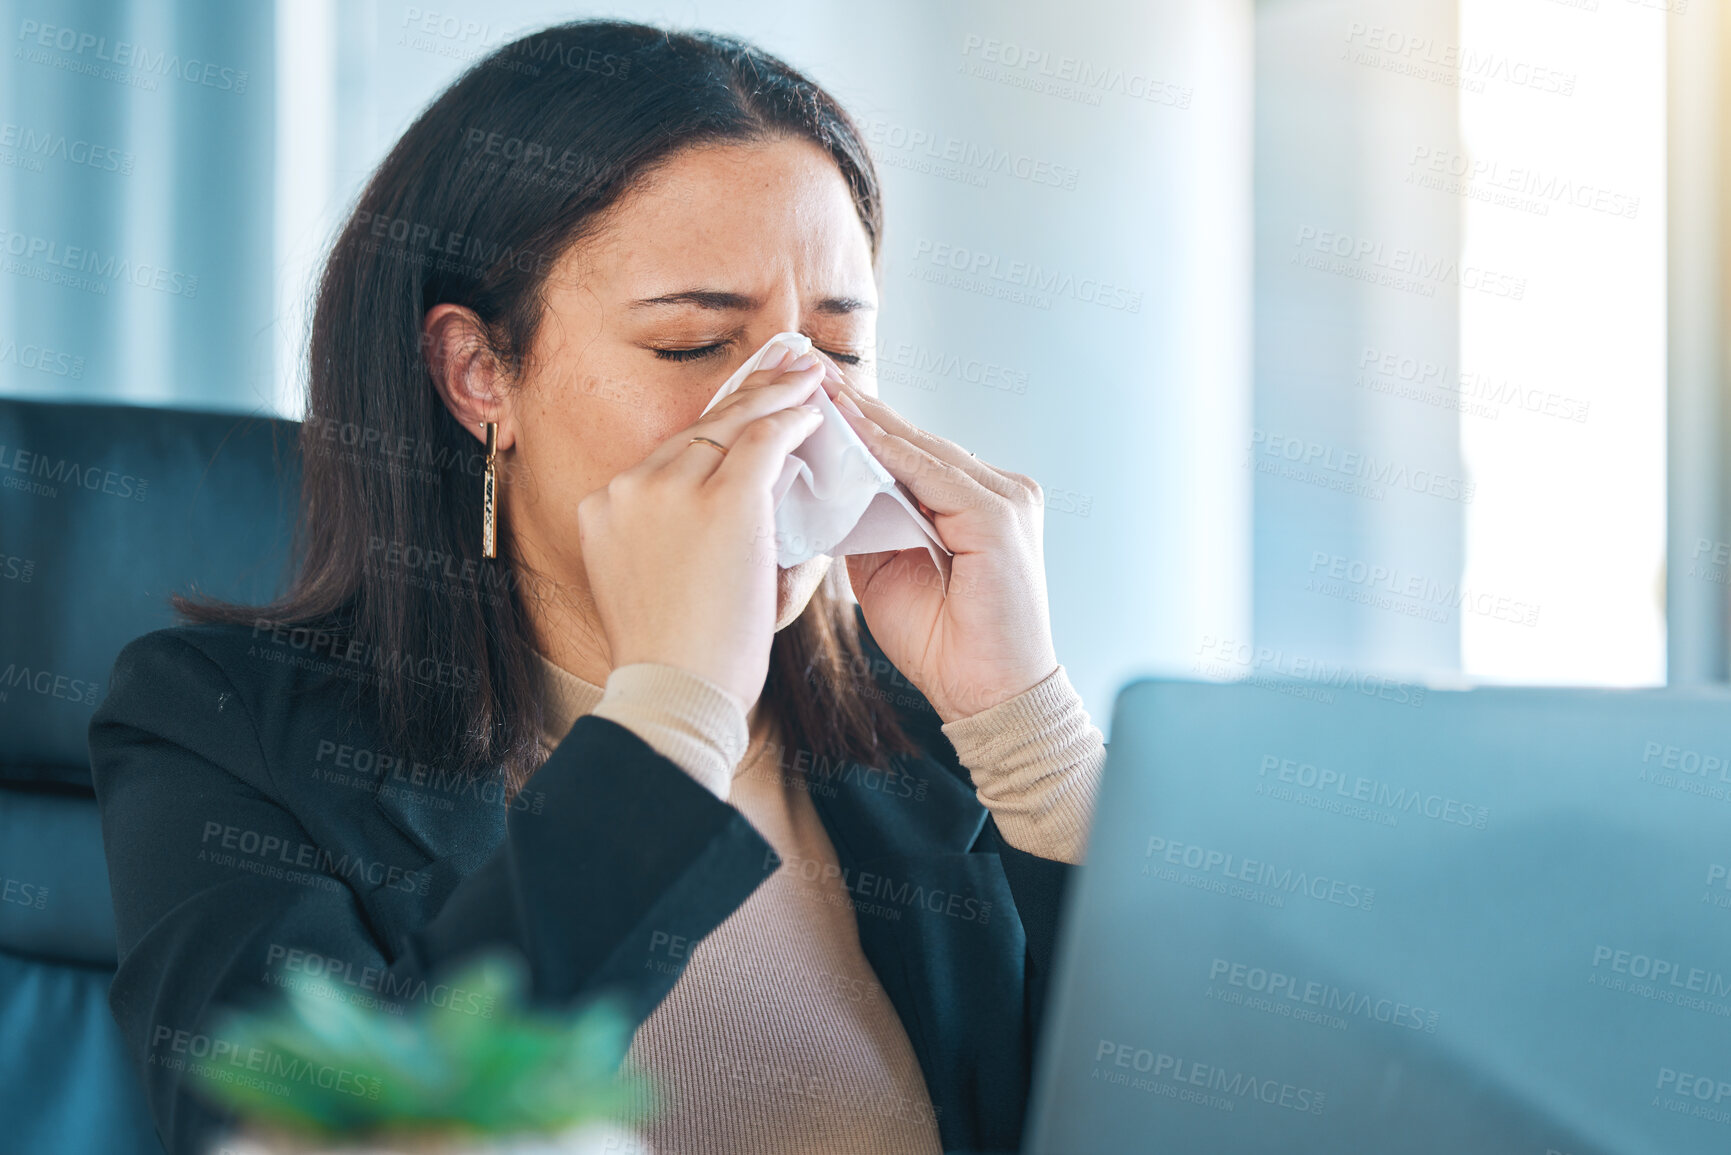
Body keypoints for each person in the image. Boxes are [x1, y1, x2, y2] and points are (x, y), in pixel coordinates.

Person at [89, 20, 1105, 1155]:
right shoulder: (221, 731)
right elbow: (330, 1136)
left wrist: (1035, 742)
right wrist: (672, 719)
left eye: (836, 356)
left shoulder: (926, 735)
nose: (793, 425)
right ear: (479, 375)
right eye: (693, 347)